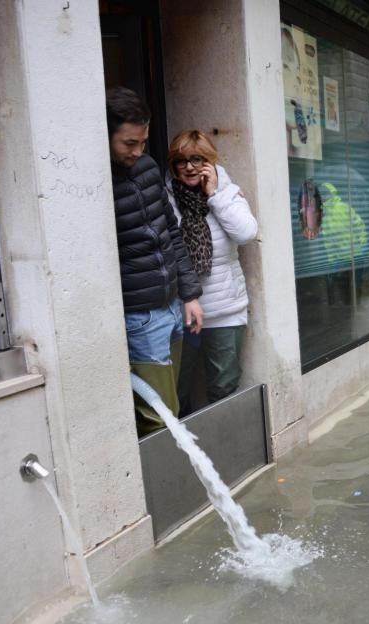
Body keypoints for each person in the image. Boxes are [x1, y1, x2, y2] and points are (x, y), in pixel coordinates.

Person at [107, 87, 203, 436]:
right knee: (157, 417)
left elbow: (172, 235)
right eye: (129, 143)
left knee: (169, 406)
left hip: (173, 305)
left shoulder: (146, 167)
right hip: (139, 316)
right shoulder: (96, 182)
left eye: (143, 142)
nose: (138, 151)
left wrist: (189, 295)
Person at [165, 130, 258, 412]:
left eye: (198, 159)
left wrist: (215, 194)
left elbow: (246, 233)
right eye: (182, 161)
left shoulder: (227, 194)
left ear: (211, 162)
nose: (190, 167)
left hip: (224, 311)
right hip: (180, 312)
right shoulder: (164, 200)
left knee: (223, 386)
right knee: (177, 389)